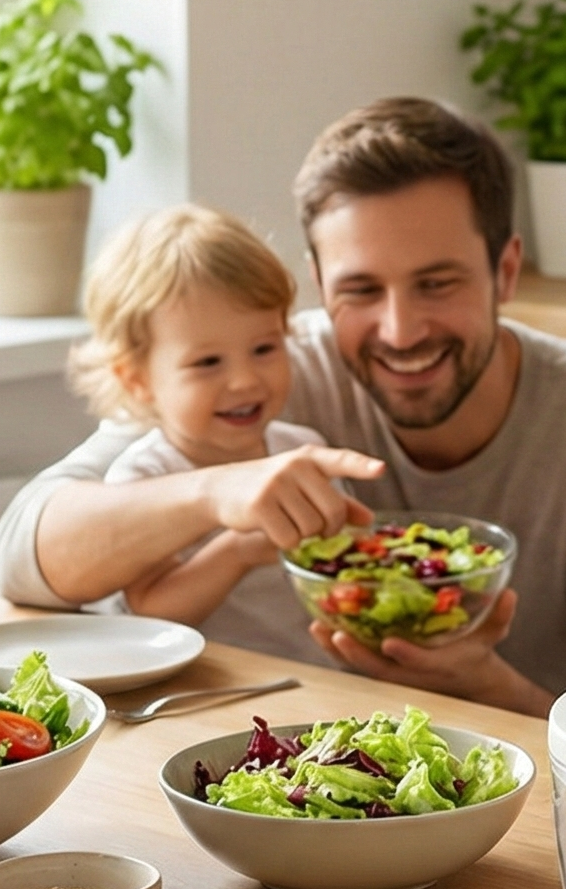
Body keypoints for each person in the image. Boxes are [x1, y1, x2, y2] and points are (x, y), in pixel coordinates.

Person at [0, 98, 566, 715]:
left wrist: (484, 684)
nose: (400, 332)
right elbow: (23, 555)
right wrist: (221, 489)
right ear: (319, 285)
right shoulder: (260, 375)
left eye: (437, 283)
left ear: (507, 271)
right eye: (361, 290)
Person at [60, 202, 386, 639]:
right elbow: (152, 612)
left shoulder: (300, 448)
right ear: (137, 379)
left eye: (265, 348)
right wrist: (239, 551)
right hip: (215, 696)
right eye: (208, 362)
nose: (244, 380)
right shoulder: (145, 477)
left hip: (322, 684)